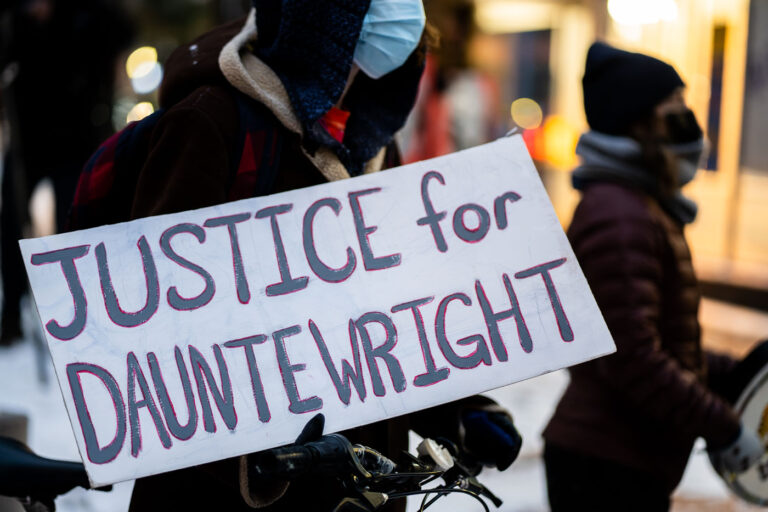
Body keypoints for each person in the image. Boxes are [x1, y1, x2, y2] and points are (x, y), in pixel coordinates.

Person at [67, 1, 522, 510]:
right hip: (234, 496)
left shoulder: (372, 143)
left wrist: (460, 410)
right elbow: (156, 342)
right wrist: (255, 458)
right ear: (323, 25)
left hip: (354, 487)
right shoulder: (211, 123)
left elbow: (391, 326)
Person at [542, 42, 764, 511]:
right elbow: (633, 359)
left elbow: (655, 337)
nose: (690, 127)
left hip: (619, 459)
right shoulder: (621, 216)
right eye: (674, 111)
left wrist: (734, 371)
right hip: (604, 466)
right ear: (637, 123)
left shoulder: (639, 206)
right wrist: (722, 425)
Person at [0, 0, 132, 344]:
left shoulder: (89, 15)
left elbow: (118, 33)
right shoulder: (16, 21)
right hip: (30, 137)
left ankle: (83, 312)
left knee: (74, 225)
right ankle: (13, 311)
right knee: (11, 220)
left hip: (78, 135)